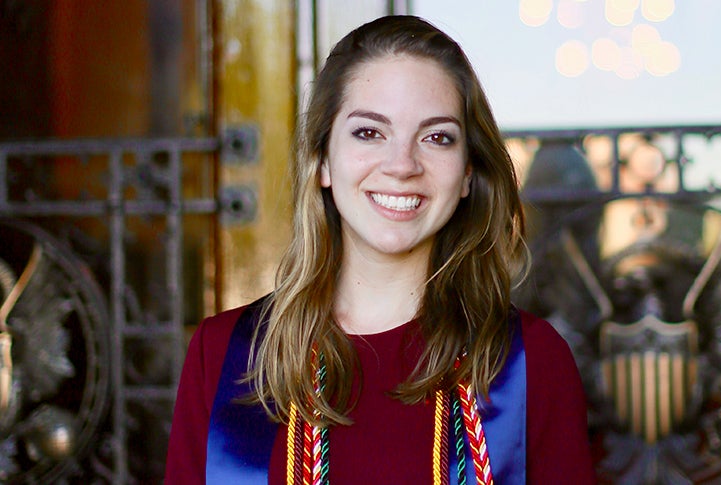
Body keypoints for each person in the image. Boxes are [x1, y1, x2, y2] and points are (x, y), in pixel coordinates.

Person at [165, 15, 595, 485]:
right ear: (323, 160)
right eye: (369, 132)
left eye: (436, 137)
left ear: (468, 171)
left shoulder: (530, 363)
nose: (402, 165)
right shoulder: (225, 354)